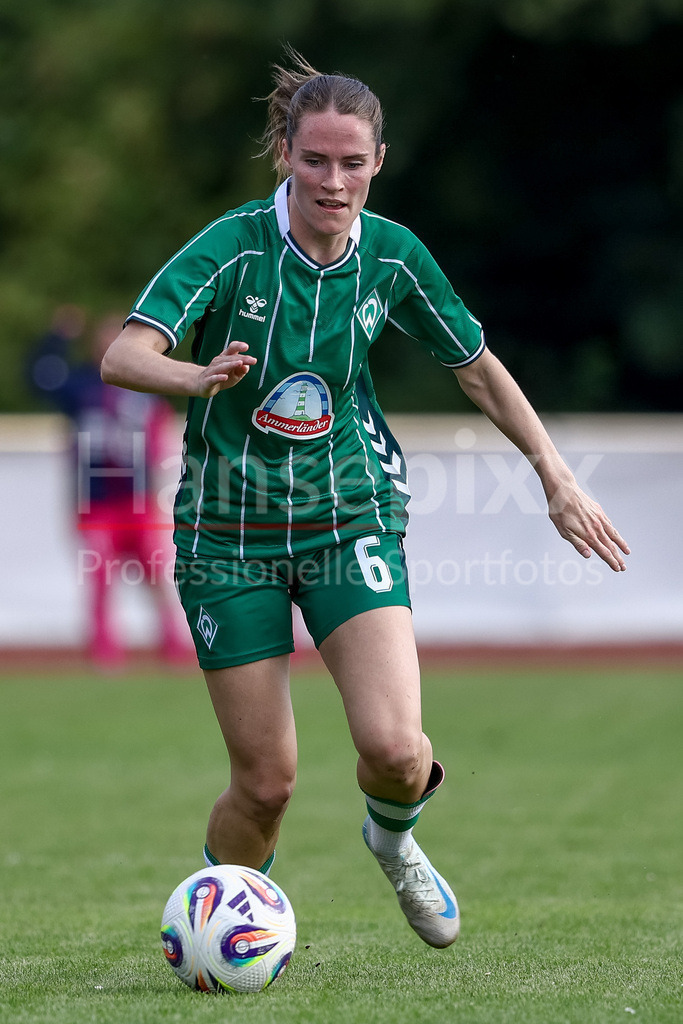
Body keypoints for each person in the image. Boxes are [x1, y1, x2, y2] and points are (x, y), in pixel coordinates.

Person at [101, 49, 629, 947]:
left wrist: (554, 472)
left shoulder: (393, 256)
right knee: (265, 783)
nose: (333, 181)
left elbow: (478, 372)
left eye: (353, 163)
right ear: (283, 155)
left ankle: (393, 842)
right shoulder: (230, 248)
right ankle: (215, 927)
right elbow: (122, 355)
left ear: (378, 162)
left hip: (351, 516)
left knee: (394, 751)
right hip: (226, 534)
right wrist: (193, 376)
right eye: (315, 160)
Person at [29, 307, 190, 670]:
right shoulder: (80, 387)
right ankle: (105, 651)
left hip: (140, 502)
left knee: (157, 578)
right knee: (100, 579)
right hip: (97, 504)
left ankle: (173, 645)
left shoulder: (148, 386)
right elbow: (37, 378)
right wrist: (57, 339)